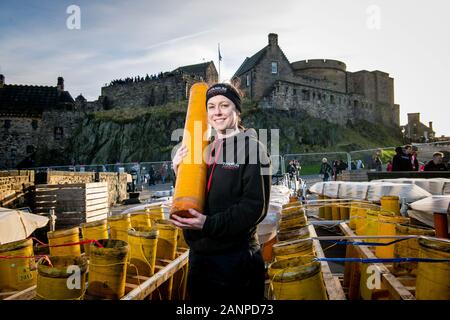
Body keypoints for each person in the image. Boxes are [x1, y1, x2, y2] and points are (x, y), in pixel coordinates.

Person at [170, 83, 271, 301]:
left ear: (236, 111)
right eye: (211, 106)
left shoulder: (253, 148)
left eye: (224, 105)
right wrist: (179, 173)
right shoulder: (205, 148)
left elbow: (254, 208)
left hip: (235, 262)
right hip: (200, 259)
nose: (217, 112)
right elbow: (200, 195)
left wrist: (208, 223)